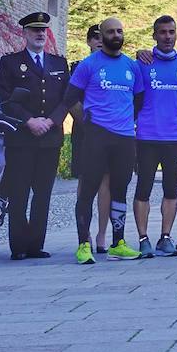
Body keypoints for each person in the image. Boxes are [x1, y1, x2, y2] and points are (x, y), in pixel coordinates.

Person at [64, 17, 145, 264]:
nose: (116, 35)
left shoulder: (132, 67)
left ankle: (118, 242)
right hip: (97, 136)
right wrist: (88, 124)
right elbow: (69, 98)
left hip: (124, 138)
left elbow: (139, 99)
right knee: (88, 190)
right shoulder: (88, 65)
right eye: (110, 31)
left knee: (120, 190)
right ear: (101, 35)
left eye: (120, 30)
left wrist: (128, 120)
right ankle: (83, 244)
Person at [0, 11, 70, 260]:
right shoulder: (10, 62)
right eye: (35, 30)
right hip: (22, 138)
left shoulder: (59, 64)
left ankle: (36, 245)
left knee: (43, 194)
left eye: (43, 30)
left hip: (49, 137)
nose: (40, 34)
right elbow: (5, 99)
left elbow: (66, 99)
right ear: (25, 33)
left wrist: (50, 121)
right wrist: (29, 120)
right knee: (19, 193)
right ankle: (19, 246)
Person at [132, 15, 177, 257]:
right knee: (143, 188)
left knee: (172, 189)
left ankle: (165, 237)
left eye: (171, 32)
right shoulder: (141, 64)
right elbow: (136, 98)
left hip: (175, 137)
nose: (167, 37)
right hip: (147, 136)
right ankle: (143, 238)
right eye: (162, 32)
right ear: (154, 35)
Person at [70, 25, 111, 251]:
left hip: (109, 133)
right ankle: (83, 234)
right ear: (88, 42)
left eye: (102, 38)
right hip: (85, 133)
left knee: (107, 182)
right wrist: (87, 120)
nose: (99, 41)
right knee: (85, 183)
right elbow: (70, 97)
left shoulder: (115, 65)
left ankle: (102, 236)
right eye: (94, 38)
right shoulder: (78, 67)